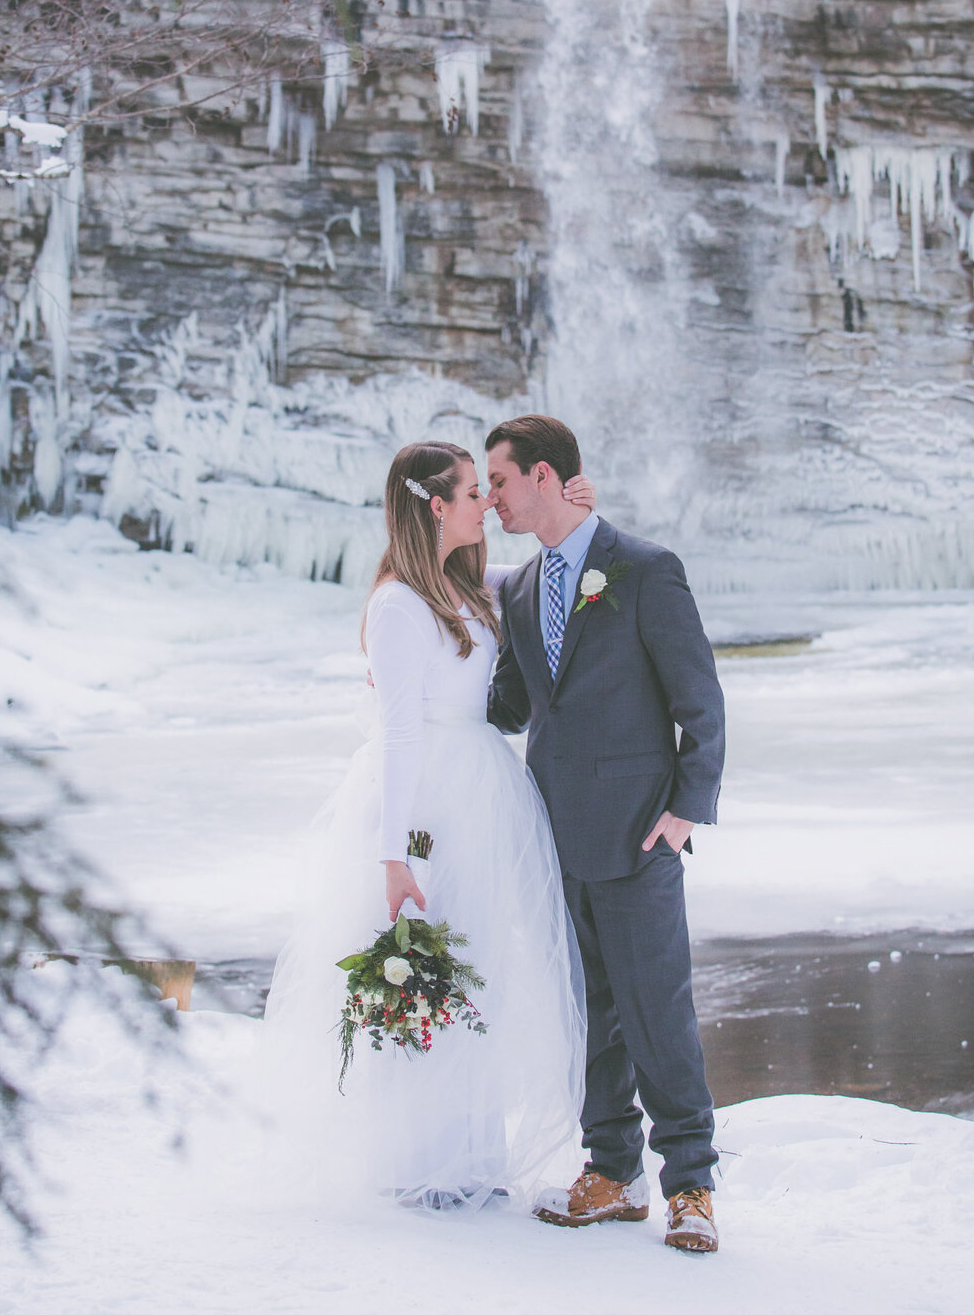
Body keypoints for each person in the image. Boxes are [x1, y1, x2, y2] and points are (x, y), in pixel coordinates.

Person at [262, 440, 592, 1211]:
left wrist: (579, 516)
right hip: (428, 808)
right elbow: (400, 734)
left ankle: (473, 1157)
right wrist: (394, 855)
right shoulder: (398, 605)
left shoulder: (464, 587)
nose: (489, 504)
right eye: (476, 492)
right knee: (427, 970)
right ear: (438, 507)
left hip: (479, 795)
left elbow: (553, 573)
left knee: (473, 973)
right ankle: (420, 1160)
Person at [486, 414, 726, 1255]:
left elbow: (699, 700)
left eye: (501, 483)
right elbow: (513, 706)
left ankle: (690, 1185)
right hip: (553, 834)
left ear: (545, 477)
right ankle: (611, 1172)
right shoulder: (515, 590)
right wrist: (437, 684)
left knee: (658, 1012)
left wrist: (685, 810)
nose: (490, 501)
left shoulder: (644, 569)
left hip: (638, 835)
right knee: (586, 1015)